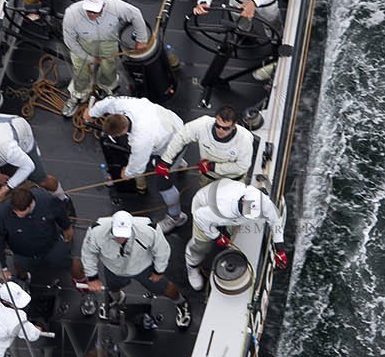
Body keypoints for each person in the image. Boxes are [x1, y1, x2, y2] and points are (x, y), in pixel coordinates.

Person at [76, 209, 191, 329]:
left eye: (124, 234)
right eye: (117, 234)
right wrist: (92, 277)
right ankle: (117, 298)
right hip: (113, 269)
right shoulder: (96, 231)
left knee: (165, 288)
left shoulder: (149, 229)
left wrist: (158, 271)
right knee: (113, 287)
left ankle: (181, 302)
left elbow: (162, 251)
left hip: (143, 267)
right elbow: (88, 253)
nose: (120, 238)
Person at [88, 94, 187, 230]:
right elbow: (108, 102)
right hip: (173, 123)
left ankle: (176, 217)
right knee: (168, 154)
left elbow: (138, 168)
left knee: (163, 184)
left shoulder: (141, 139)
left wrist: (127, 173)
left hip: (174, 143)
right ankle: (179, 162)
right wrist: (91, 113)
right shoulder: (125, 105)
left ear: (122, 132)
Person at [184, 178, 286, 290]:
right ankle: (191, 264)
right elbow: (200, 217)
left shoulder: (261, 200)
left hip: (230, 212)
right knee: (202, 245)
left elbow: (275, 220)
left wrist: (279, 249)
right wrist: (216, 236)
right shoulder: (221, 208)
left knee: (232, 229)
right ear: (243, 201)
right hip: (203, 208)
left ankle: (226, 229)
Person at [61, 0, 148, 117]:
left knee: (109, 69)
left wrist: (142, 39)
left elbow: (135, 14)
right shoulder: (71, 14)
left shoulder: (115, 6)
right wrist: (89, 58)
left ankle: (109, 89)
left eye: (95, 11)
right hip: (82, 45)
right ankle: (78, 95)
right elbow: (70, 42)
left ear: (104, 5)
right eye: (89, 10)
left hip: (108, 43)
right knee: (81, 72)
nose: (91, 14)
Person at [0, 112, 65, 204]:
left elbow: (28, 166)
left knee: (41, 180)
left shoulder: (8, 149)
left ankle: (63, 198)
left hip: (19, 130)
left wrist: (7, 187)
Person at [0, 184, 74, 281]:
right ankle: (24, 280)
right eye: (15, 211)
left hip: (51, 245)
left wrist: (67, 227)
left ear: (31, 204)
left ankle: (81, 281)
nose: (18, 214)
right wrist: (3, 267)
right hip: (22, 253)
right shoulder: (2, 214)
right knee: (20, 267)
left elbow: (60, 212)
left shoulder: (46, 199)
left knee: (68, 262)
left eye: (22, 211)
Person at [158, 105, 254, 183]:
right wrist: (165, 160)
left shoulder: (244, 139)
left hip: (233, 180)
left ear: (233, 126)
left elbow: (242, 166)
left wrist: (213, 167)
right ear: (215, 120)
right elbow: (181, 137)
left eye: (225, 128)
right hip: (207, 176)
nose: (220, 131)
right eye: (218, 126)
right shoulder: (203, 124)